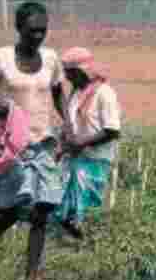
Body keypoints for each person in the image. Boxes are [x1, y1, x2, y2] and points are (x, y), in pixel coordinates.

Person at [0, 0, 65, 280]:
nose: (38, 36)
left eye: (43, 30)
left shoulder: (51, 59)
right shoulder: (1, 58)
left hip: (42, 142)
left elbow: (58, 94)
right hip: (11, 144)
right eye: (33, 30)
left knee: (43, 207)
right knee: (16, 207)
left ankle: (32, 278)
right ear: (19, 28)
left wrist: (68, 124)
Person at [51, 46, 122, 240]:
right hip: (75, 157)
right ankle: (71, 243)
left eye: (70, 73)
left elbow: (112, 130)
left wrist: (81, 144)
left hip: (95, 159)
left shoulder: (104, 93)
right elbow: (69, 122)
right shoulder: (76, 93)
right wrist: (64, 145)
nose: (68, 78)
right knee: (64, 207)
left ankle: (86, 242)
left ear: (82, 71)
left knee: (84, 208)